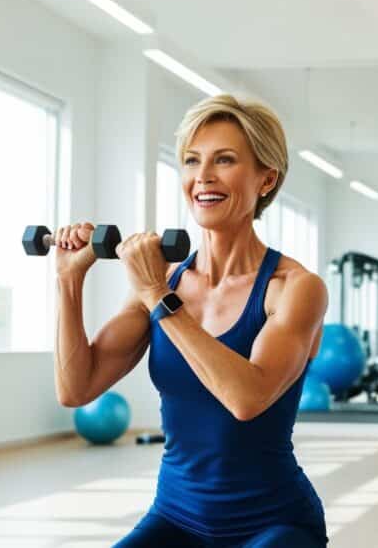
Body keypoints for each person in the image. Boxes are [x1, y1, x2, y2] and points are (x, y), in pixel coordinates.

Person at [52, 94, 329, 547]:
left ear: (266, 179)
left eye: (224, 160)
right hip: (176, 518)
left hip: (274, 525)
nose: (203, 176)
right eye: (191, 161)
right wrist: (69, 281)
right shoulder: (162, 279)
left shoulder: (296, 287)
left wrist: (159, 298)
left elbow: (247, 397)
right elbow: (75, 388)